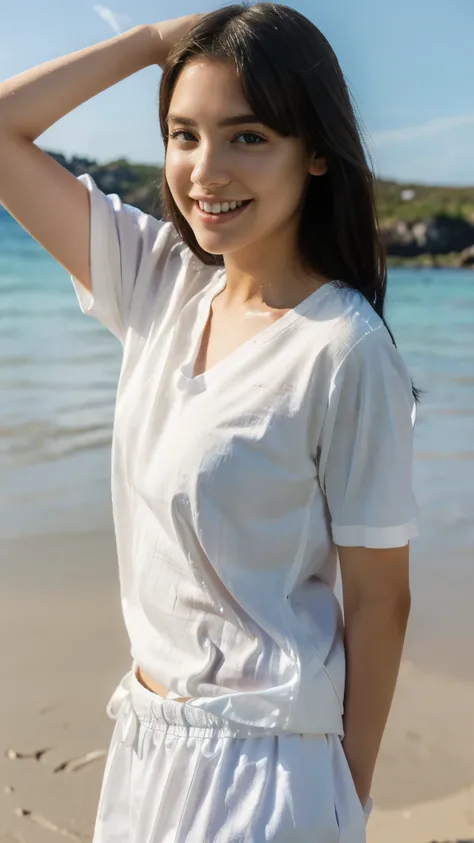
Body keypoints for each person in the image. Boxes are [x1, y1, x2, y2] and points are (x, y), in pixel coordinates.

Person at [0, 3, 421, 841]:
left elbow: (381, 600)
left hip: (268, 768)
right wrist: (158, 43)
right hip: (145, 743)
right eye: (184, 134)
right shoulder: (160, 281)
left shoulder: (343, 348)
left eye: (248, 136)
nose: (205, 170)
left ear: (317, 155)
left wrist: (346, 796)